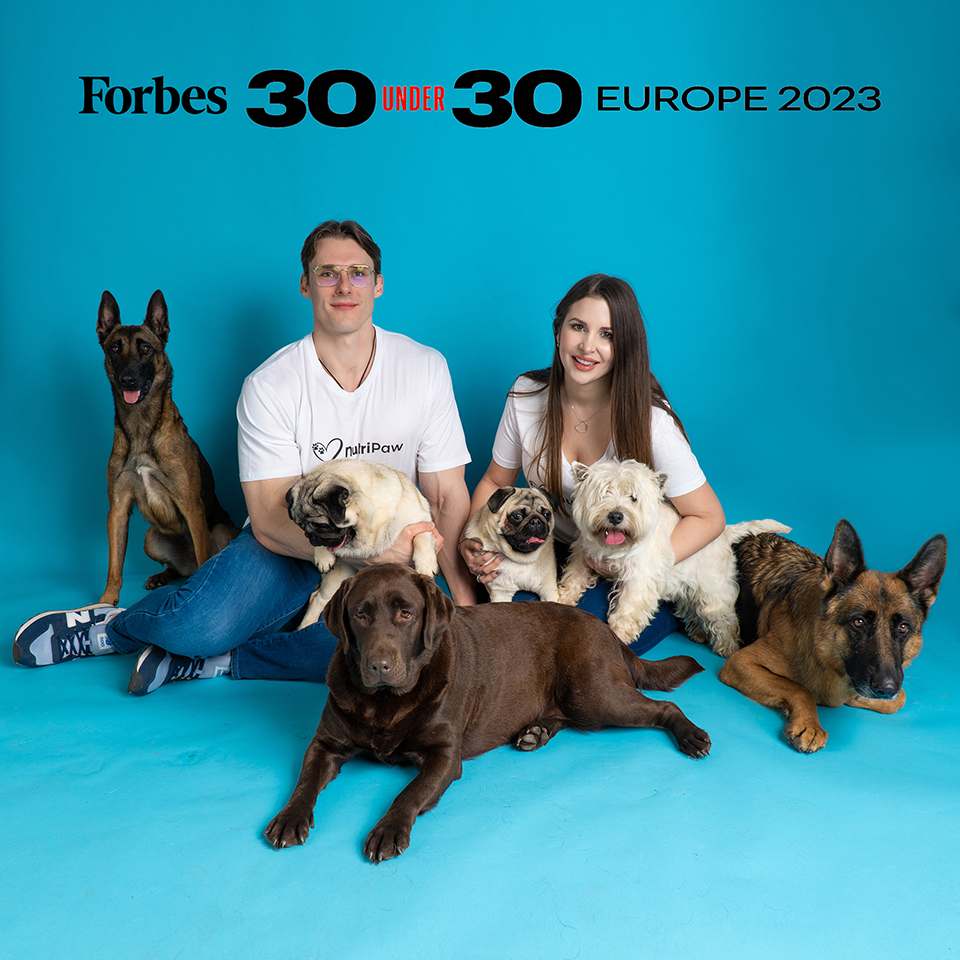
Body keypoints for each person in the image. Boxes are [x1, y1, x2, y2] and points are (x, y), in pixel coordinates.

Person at [14, 219, 475, 691]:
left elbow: (444, 496)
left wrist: (465, 601)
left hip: (390, 560)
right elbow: (271, 519)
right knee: (198, 625)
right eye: (327, 273)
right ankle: (107, 627)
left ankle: (217, 662)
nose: (343, 286)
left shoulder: (424, 369)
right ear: (305, 284)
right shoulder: (269, 384)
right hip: (290, 548)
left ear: (378, 283)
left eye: (358, 272)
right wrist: (367, 551)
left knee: (390, 661)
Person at [458, 273, 725, 653]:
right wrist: (473, 539)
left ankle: (667, 608)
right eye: (578, 327)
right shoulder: (525, 396)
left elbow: (709, 517)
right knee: (509, 621)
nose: (587, 346)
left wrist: (637, 562)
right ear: (558, 331)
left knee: (585, 641)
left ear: (625, 345)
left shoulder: (652, 423)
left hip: (627, 560)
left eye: (607, 335)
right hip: (558, 552)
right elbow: (493, 481)